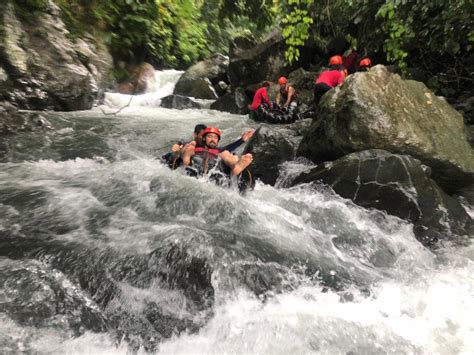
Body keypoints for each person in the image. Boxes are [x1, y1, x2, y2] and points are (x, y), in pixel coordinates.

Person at [181, 126, 253, 176]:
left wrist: (242, 140)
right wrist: (179, 148)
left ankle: (236, 166)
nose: (213, 139)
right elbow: (183, 144)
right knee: (190, 147)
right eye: (210, 136)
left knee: (226, 153)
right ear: (204, 139)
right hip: (195, 156)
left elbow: (230, 147)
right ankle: (185, 161)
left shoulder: (219, 150)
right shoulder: (197, 147)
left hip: (216, 159)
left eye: (215, 138)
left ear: (218, 141)